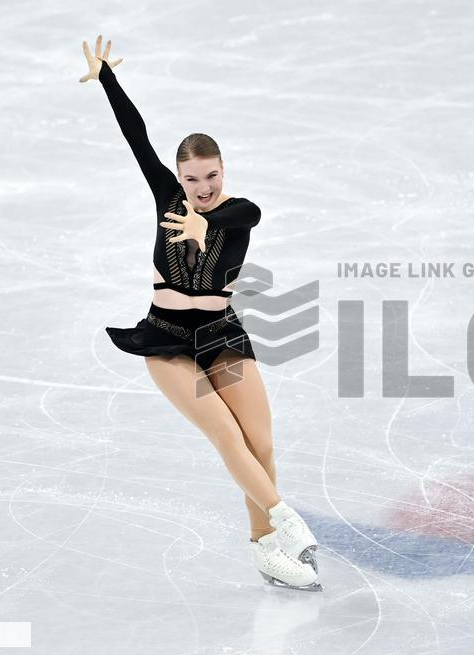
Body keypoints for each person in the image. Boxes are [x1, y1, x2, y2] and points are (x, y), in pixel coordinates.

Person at [80, 35, 321, 591]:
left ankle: (263, 550)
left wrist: (205, 225)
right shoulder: (168, 198)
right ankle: (286, 520)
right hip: (166, 342)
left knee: (260, 442)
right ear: (180, 178)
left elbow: (249, 213)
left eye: (211, 176)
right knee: (226, 436)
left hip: (222, 339)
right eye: (192, 179)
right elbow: (135, 137)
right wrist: (107, 80)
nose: (203, 187)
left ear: (222, 170)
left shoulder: (236, 215)